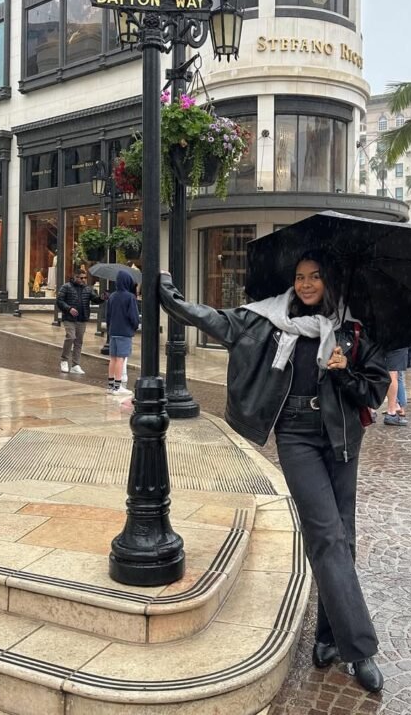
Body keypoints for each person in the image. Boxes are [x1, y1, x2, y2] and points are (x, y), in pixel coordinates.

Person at [159, 253, 390, 693]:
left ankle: (329, 636)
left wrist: (343, 372)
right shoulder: (269, 320)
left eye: (315, 276)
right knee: (326, 534)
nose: (306, 284)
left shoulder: (354, 329)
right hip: (296, 435)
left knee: (344, 537)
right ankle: (360, 649)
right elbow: (216, 321)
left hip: (342, 437)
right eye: (300, 277)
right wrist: (169, 294)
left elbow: (374, 392)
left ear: (330, 280)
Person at [56, 270, 101, 374]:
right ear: (75, 277)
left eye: (85, 278)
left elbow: (95, 299)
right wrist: (69, 309)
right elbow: (59, 301)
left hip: (82, 318)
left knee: (78, 341)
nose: (83, 280)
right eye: (81, 278)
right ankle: (64, 360)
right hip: (69, 318)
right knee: (71, 337)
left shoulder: (87, 288)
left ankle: (75, 365)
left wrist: (102, 297)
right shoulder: (66, 287)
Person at [106, 270, 139, 396]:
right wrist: (134, 327)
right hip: (124, 331)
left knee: (113, 358)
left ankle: (110, 385)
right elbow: (133, 316)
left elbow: (108, 315)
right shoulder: (130, 297)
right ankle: (118, 386)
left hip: (113, 331)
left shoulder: (112, 296)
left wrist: (110, 327)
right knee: (121, 358)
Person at [383, 348, 409, 425]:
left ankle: (371, 411)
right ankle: (392, 411)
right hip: (397, 345)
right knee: (393, 373)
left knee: (386, 372)